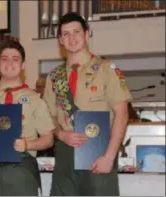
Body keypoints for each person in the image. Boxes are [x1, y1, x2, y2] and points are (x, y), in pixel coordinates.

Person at [43, 12, 132, 196]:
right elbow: (48, 117)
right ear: (60, 40)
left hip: (98, 151)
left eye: (76, 31)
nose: (71, 37)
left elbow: (122, 115)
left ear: (87, 33)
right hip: (65, 154)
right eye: (65, 34)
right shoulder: (54, 77)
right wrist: (61, 134)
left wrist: (109, 156)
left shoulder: (107, 69)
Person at [0, 40, 55, 195]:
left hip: (21, 172)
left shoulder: (35, 99)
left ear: (23, 66)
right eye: (4, 58)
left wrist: (28, 144)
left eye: (15, 59)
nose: (9, 63)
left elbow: (49, 139)